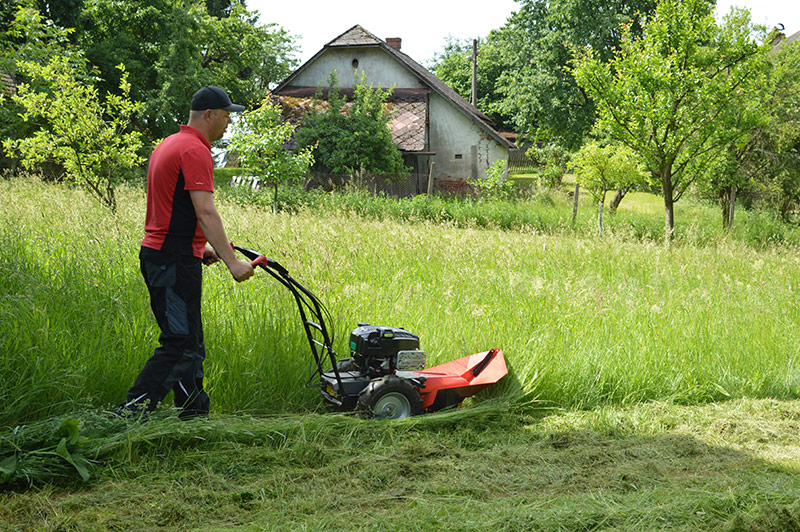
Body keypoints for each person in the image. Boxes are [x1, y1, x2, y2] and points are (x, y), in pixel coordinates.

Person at [120, 86, 254, 419]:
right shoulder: (195, 150)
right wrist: (233, 261)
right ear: (209, 115)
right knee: (179, 342)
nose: (228, 124)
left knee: (190, 343)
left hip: (171, 254)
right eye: (226, 117)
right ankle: (129, 415)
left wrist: (201, 248)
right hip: (171, 261)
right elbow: (205, 211)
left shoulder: (169, 143)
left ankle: (194, 418)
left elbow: (173, 210)